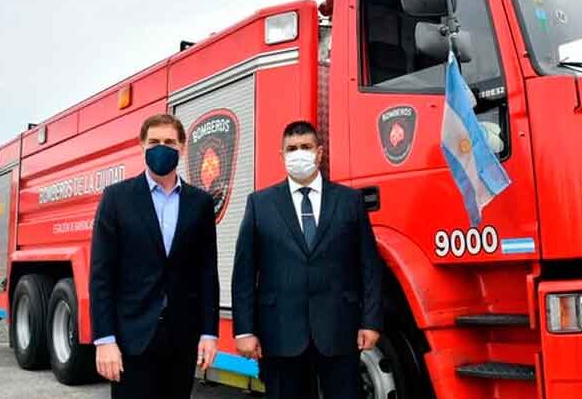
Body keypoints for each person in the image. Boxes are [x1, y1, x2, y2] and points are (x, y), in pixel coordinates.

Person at [231, 120, 383, 399]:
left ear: (319, 152)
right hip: (279, 333)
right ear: (281, 155)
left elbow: (369, 266)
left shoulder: (349, 201)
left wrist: (371, 321)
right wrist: (244, 330)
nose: (298, 153)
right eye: (292, 148)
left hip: (340, 330)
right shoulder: (259, 204)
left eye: (306, 147)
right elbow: (244, 272)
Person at [90, 114, 220, 399]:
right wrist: (105, 340)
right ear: (142, 146)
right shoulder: (116, 198)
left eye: (170, 142)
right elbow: (101, 275)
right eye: (155, 142)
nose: (162, 148)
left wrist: (209, 333)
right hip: (131, 339)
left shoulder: (200, 203)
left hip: (181, 340)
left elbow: (207, 272)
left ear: (183, 147)